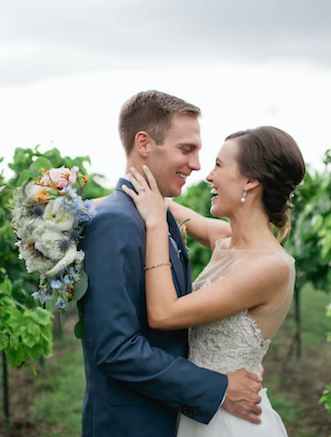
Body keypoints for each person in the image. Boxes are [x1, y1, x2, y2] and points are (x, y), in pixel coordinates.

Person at [78, 90, 263, 437]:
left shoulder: (156, 213)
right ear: (144, 143)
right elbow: (115, 349)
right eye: (186, 149)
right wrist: (218, 386)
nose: (196, 165)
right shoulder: (114, 223)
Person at [122, 125, 306, 436]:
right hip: (201, 406)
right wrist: (72, 206)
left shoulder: (270, 266)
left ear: (250, 180)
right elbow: (165, 206)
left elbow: (164, 313)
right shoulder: (224, 239)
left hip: (230, 423)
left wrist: (155, 226)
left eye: (219, 165)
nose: (208, 175)